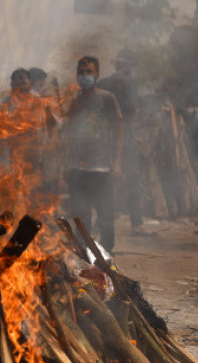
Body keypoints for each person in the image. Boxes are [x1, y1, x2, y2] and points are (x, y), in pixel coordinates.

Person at [64, 56, 124, 254]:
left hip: (102, 168)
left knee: (106, 216)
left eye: (89, 72)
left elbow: (118, 131)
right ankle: (85, 255)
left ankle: (106, 255)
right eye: (81, 72)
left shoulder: (107, 99)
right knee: (81, 218)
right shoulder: (75, 103)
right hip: (78, 170)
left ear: (97, 74)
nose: (85, 76)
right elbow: (70, 136)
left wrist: (116, 163)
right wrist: (68, 164)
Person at [98, 49, 154, 236]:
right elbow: (131, 106)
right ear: (129, 66)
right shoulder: (131, 82)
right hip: (124, 134)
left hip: (104, 135)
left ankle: (101, 221)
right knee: (133, 178)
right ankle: (137, 224)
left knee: (106, 179)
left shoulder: (103, 83)